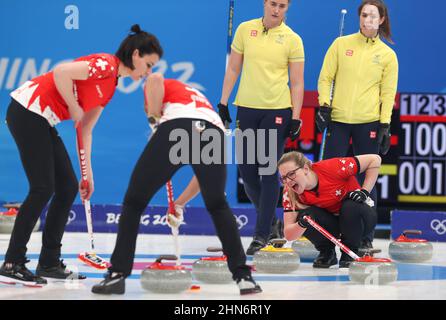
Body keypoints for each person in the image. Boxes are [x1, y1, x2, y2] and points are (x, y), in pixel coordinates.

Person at [0, 24, 163, 286]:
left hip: (42, 118)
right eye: (149, 63)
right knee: (42, 188)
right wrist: (74, 106)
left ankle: (49, 261)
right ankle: (12, 262)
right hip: (28, 110)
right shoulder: (105, 65)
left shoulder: (111, 85)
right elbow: (61, 72)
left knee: (67, 187)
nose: (149, 72)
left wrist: (88, 176)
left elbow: (85, 127)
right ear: (135, 55)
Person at [91, 74, 262, 296]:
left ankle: (117, 275)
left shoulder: (162, 92)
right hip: (213, 132)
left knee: (134, 202)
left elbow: (153, 79)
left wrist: (153, 119)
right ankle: (243, 277)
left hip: (177, 126)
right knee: (217, 203)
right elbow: (201, 179)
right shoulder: (195, 97)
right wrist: (179, 203)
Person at [217, 0, 305, 255]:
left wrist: (296, 117)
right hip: (246, 107)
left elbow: (297, 83)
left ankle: (261, 234)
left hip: (276, 110)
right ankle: (273, 223)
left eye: (282, 6)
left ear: (287, 9)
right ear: (265, 4)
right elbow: (233, 67)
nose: (277, 9)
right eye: (273, 4)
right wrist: (223, 101)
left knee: (268, 172)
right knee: (247, 174)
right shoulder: (245, 30)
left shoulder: (292, 39)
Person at [316, 0, 398, 250]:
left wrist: (385, 125)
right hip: (339, 122)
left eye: (373, 16)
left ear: (381, 19)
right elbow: (326, 77)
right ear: (359, 18)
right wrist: (324, 105)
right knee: (329, 179)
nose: (367, 20)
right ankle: (328, 237)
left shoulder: (387, 55)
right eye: (364, 15)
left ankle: (365, 237)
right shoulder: (341, 44)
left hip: (368, 123)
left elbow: (387, 93)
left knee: (365, 180)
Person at [278, 151, 380, 268]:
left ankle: (350, 251)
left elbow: (375, 159)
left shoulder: (332, 167)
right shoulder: (289, 192)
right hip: (335, 224)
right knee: (306, 215)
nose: (288, 181)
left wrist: (365, 192)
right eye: (284, 178)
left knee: (350, 205)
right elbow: (289, 234)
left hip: (361, 219)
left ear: (305, 169)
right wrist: (302, 223)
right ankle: (327, 252)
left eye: (291, 174)